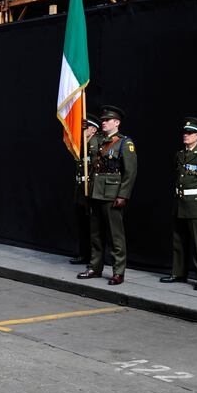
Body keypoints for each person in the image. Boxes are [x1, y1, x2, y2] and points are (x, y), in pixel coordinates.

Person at [77, 105, 137, 285]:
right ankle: (95, 267)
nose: (103, 122)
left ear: (116, 122)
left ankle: (118, 271)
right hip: (95, 192)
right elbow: (83, 151)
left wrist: (123, 195)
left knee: (115, 236)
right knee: (96, 234)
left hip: (112, 194)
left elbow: (130, 172)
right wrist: (83, 133)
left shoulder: (124, 143)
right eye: (102, 120)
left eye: (107, 120)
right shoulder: (96, 139)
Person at [160, 117, 197, 291]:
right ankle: (178, 273)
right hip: (180, 202)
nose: (186, 135)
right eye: (185, 132)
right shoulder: (180, 155)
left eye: (190, 133)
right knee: (178, 240)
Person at [70, 113, 100, 265]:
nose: (83, 129)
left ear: (93, 130)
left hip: (92, 189)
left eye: (86, 127)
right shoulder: (81, 145)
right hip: (81, 189)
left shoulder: (96, 144)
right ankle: (83, 254)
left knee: (93, 227)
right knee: (81, 224)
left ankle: (94, 258)